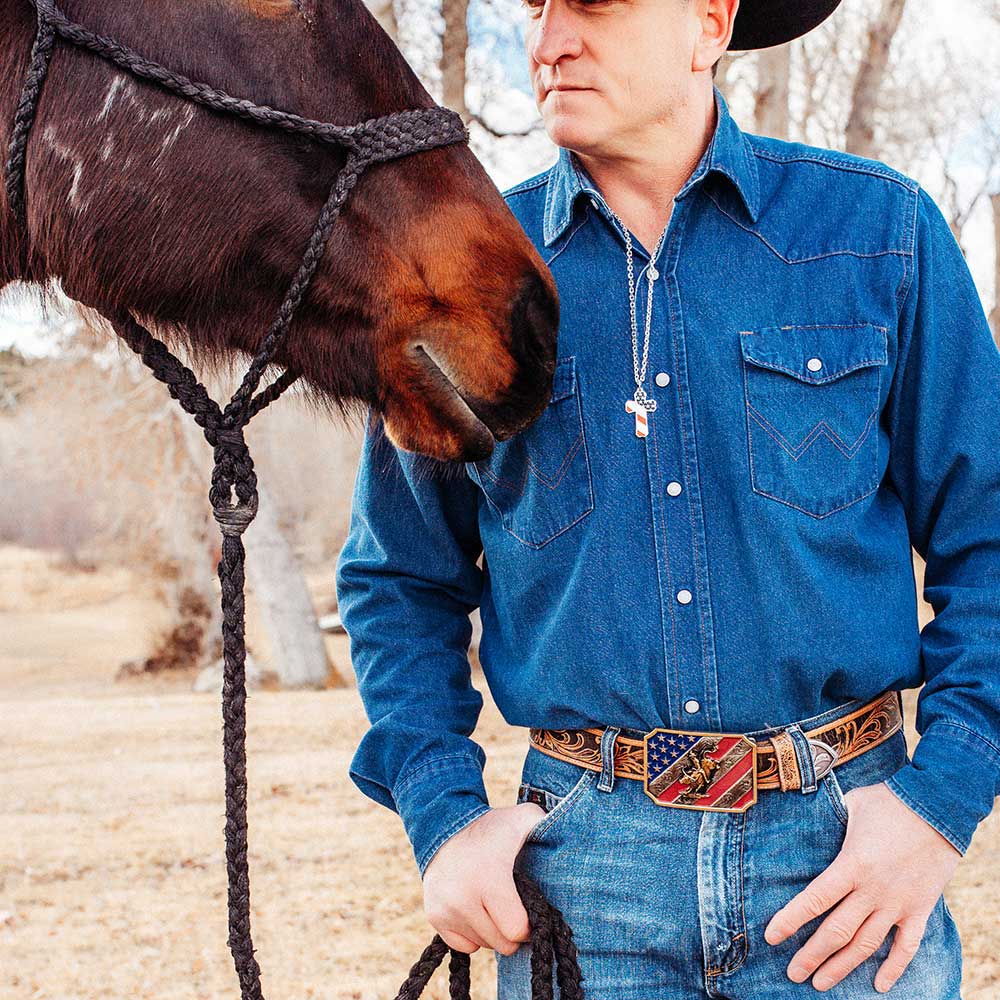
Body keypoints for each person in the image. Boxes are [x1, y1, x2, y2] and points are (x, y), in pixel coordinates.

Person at [335, 0, 1000, 995]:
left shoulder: (878, 236)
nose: (548, 40)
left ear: (709, 24)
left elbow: (988, 533)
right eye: (535, 6)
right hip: (581, 875)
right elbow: (396, 581)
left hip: (843, 863)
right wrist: (443, 819)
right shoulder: (455, 274)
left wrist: (939, 803)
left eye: (592, 3)